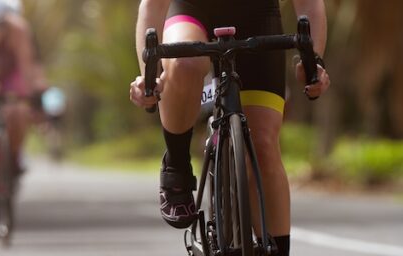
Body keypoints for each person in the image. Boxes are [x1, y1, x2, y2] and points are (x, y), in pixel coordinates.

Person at [130, 0, 331, 255]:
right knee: (185, 63)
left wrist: (313, 63)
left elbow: (310, 4)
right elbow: (152, 6)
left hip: (258, 17)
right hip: (191, 11)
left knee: (263, 145)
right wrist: (148, 78)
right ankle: (176, 162)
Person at [0, 0, 38, 175]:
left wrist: (29, 93)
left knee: (18, 112)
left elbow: (25, 65)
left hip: (11, 74)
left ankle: (15, 155)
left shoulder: (18, 30)